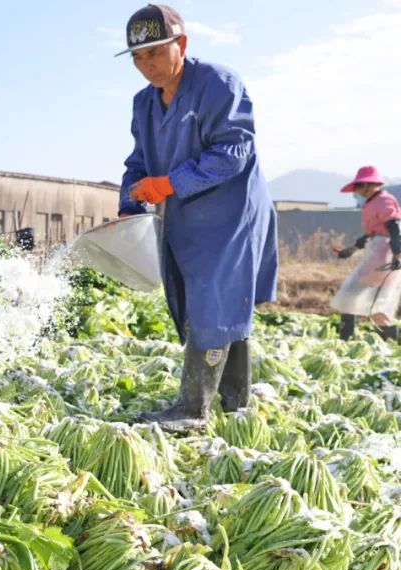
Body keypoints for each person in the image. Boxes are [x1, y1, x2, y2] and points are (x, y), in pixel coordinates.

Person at [116, 3, 278, 433]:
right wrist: (128, 203)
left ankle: (192, 408)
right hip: (187, 216)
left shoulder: (218, 85)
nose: (145, 65)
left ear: (181, 44)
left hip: (230, 213)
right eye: (137, 57)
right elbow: (139, 160)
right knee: (202, 298)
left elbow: (234, 151)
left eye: (154, 52)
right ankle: (234, 402)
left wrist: (168, 183)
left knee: (213, 298)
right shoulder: (144, 104)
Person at [331, 166, 401, 342]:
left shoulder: (384, 200)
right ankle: (391, 345)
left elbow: (395, 228)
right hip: (379, 249)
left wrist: (398, 255)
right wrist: (352, 249)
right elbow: (372, 233)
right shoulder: (371, 203)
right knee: (378, 304)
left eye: (359, 186)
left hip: (385, 252)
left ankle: (345, 342)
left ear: (371, 185)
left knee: (349, 294)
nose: (356, 190)